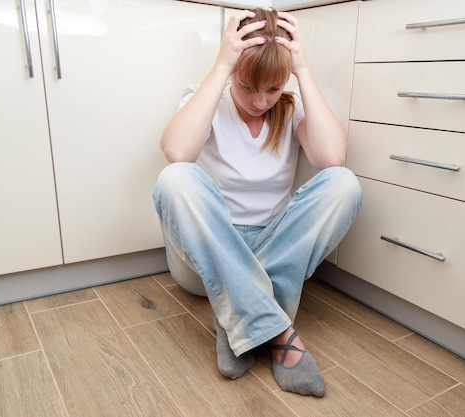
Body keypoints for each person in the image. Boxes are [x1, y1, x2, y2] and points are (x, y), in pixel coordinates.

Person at [152, 7, 362, 397]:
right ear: (233, 71)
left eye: (272, 88)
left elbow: (332, 158)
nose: (260, 101)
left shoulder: (290, 103)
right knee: (175, 177)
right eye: (248, 86)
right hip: (207, 257)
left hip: (274, 247)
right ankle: (279, 333)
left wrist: (301, 69)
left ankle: (235, 317)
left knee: (343, 184)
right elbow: (176, 150)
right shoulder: (206, 99)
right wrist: (221, 65)